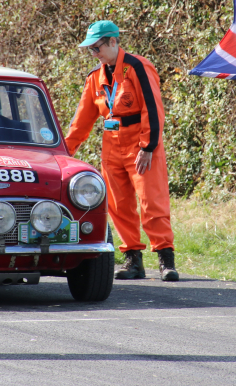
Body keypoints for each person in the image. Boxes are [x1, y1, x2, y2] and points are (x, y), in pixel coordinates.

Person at [65, 20, 179, 282]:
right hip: (111, 146)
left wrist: (148, 146)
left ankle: (165, 260)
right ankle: (133, 261)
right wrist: (64, 151)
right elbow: (81, 120)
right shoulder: (95, 77)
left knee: (152, 201)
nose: (94, 54)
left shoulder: (138, 67)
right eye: (90, 50)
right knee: (118, 206)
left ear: (113, 42)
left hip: (140, 144)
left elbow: (153, 108)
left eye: (97, 48)